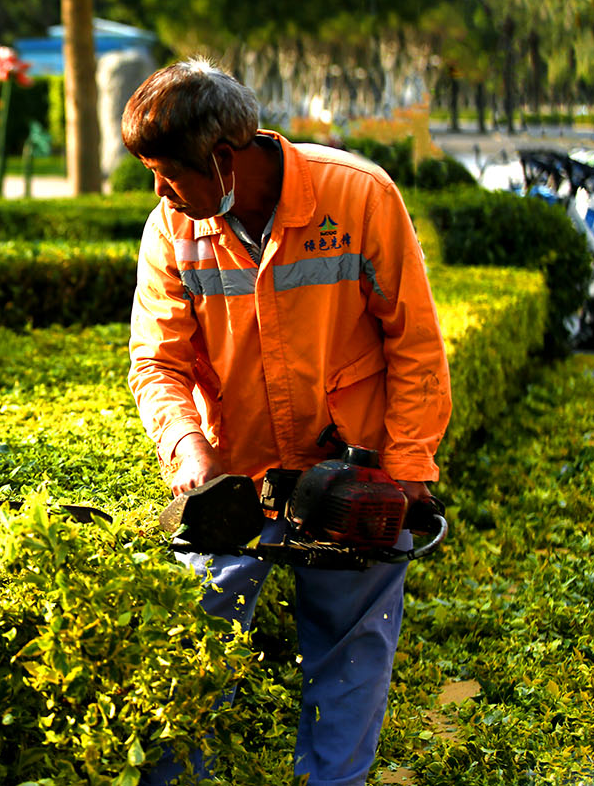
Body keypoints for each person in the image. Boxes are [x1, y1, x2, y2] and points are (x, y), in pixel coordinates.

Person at [122, 58, 451, 786]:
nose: (159, 192)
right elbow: (158, 363)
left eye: (168, 172)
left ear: (224, 159)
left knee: (348, 651)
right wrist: (190, 454)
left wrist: (407, 469)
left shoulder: (358, 196)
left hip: (349, 471)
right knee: (192, 647)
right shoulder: (173, 227)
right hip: (236, 474)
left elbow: (416, 342)